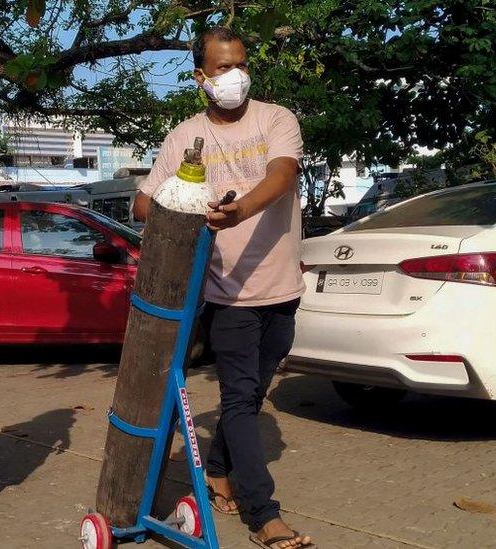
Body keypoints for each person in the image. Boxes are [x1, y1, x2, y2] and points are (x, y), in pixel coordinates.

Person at [133, 27, 314, 549]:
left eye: (240, 64)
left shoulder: (276, 119)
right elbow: (143, 204)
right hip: (226, 294)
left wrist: (239, 210)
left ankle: (216, 470)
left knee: (252, 396)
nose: (233, 76)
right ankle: (264, 515)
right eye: (221, 68)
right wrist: (185, 199)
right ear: (200, 77)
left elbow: (282, 174)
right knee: (238, 399)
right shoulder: (184, 136)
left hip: (282, 289)